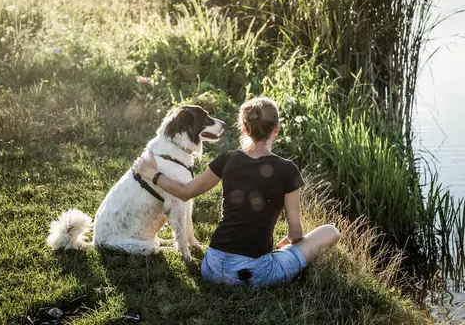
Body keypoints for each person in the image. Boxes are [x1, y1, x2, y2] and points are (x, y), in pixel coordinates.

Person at [133, 97, 340, 286]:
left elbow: (185, 192)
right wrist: (289, 241)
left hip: (211, 266)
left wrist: (152, 173)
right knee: (330, 231)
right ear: (275, 130)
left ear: (244, 128)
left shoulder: (227, 158)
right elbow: (296, 233)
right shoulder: (288, 169)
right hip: (254, 273)